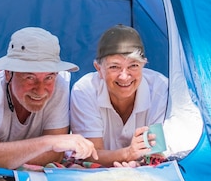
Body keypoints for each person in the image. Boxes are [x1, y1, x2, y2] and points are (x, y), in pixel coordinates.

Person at [0, 27, 98, 169]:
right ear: (8, 73)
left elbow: (55, 154)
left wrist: (1, 156)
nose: (40, 90)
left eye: (49, 77)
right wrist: (48, 142)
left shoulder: (60, 84)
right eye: (30, 77)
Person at [70, 24, 168, 167]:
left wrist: (136, 162)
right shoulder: (85, 90)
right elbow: (91, 155)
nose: (124, 76)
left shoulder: (160, 88)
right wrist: (128, 154)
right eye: (114, 67)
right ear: (99, 69)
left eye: (133, 66)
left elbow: (156, 151)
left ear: (143, 65)